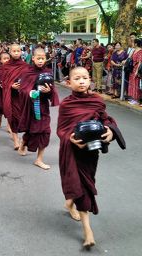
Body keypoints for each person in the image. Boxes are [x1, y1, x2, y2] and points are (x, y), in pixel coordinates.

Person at [57, 67, 125, 249]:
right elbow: (61, 129)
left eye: (85, 78)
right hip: (72, 151)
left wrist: (111, 132)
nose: (81, 81)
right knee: (81, 188)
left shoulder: (97, 101)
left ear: (90, 81)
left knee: (83, 184)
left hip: (90, 152)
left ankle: (69, 203)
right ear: (68, 82)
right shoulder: (66, 105)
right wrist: (70, 138)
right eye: (77, 78)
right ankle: (88, 231)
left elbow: (106, 120)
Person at [18, 48, 59, 170]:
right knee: (32, 131)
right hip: (31, 107)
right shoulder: (28, 72)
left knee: (45, 132)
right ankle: (23, 143)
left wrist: (49, 91)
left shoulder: (48, 72)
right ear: (33, 58)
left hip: (43, 107)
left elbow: (52, 90)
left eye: (43, 58)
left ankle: (39, 159)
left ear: (45, 59)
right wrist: (31, 93)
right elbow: (23, 89)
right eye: (38, 58)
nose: (40, 61)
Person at [2, 44, 29, 150]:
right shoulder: (6, 66)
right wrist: (10, 85)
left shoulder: (25, 66)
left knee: (22, 118)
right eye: (14, 51)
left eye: (18, 51)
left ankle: (23, 138)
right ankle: (16, 140)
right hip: (11, 97)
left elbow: (29, 80)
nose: (16, 53)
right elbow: (3, 82)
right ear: (10, 52)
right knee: (12, 117)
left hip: (22, 97)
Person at [128, 38, 142, 105]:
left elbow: (140, 62)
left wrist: (137, 71)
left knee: (136, 83)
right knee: (132, 83)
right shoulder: (134, 50)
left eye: (133, 42)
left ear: (136, 44)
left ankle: (137, 99)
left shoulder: (140, 51)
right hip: (132, 68)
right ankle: (133, 98)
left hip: (137, 68)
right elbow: (129, 58)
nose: (132, 44)